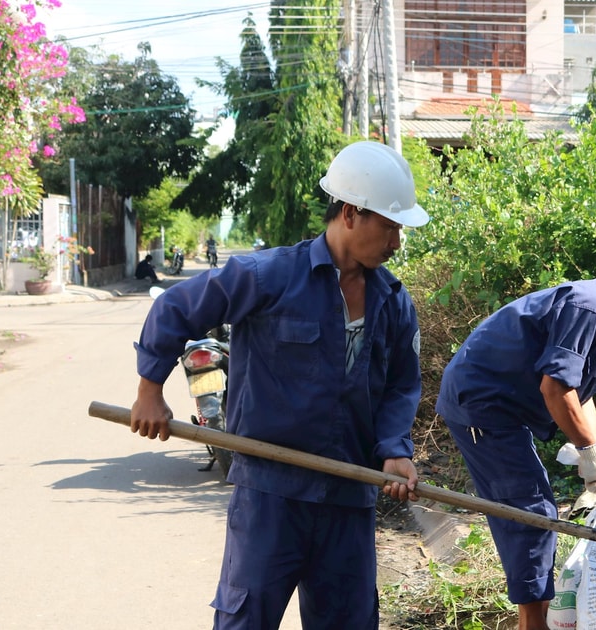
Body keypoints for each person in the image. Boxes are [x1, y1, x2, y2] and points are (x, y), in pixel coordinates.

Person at [129, 140, 430, 629]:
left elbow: (400, 385)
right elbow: (174, 308)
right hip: (271, 493)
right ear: (351, 213)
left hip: (349, 494)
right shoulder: (268, 276)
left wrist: (395, 449)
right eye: (391, 226)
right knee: (246, 620)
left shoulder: (393, 301)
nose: (397, 242)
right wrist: (149, 390)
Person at [434, 240, 596, 630]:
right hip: (481, 405)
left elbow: (581, 394)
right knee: (530, 512)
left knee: (534, 508)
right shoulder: (587, 307)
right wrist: (587, 450)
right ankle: (533, 623)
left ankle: (535, 615)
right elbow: (555, 389)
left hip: (504, 406)